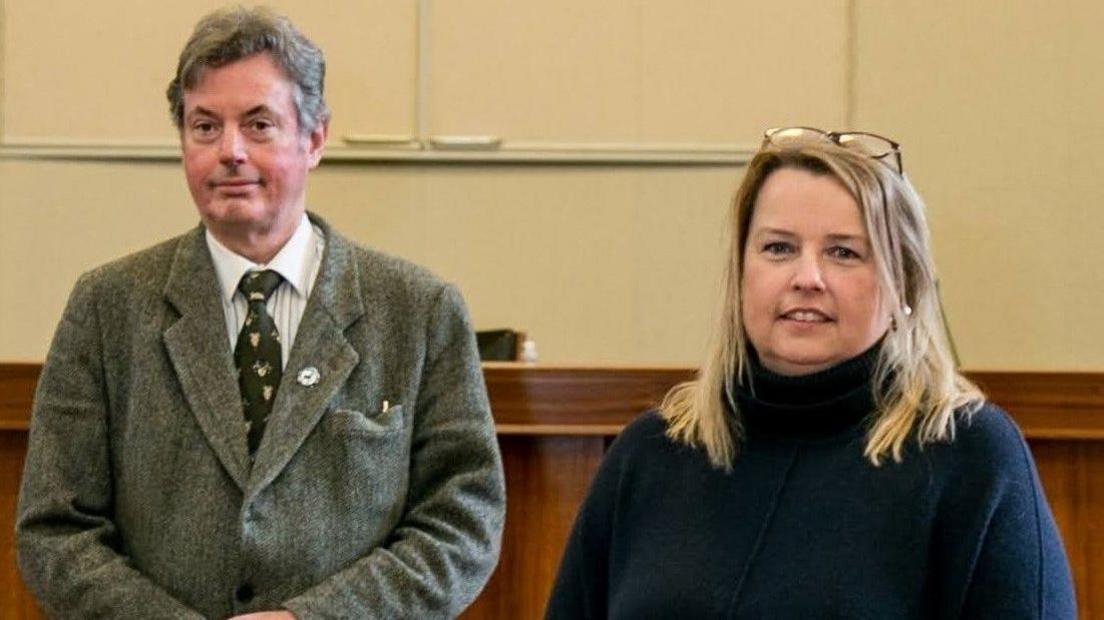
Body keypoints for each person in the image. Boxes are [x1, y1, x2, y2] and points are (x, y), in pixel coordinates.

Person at [17, 6, 504, 619]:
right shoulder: (106, 307)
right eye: (204, 127)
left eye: (258, 125)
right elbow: (55, 530)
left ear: (315, 138)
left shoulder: (419, 311)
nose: (230, 152)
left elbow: (462, 523)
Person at [546, 127, 1076, 618]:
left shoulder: (970, 457)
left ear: (904, 287)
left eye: (844, 252)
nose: (807, 277)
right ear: (741, 274)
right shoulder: (650, 454)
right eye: (779, 248)